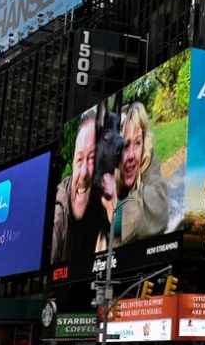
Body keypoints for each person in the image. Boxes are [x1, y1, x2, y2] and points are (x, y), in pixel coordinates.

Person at [97, 101, 170, 249]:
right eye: (125, 145)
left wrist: (118, 214)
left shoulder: (147, 158)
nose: (131, 156)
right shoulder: (104, 171)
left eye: (137, 143)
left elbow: (160, 202)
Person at [51, 109, 98, 263]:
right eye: (79, 159)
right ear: (72, 164)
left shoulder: (107, 201)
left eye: (91, 159)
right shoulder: (59, 209)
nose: (83, 173)